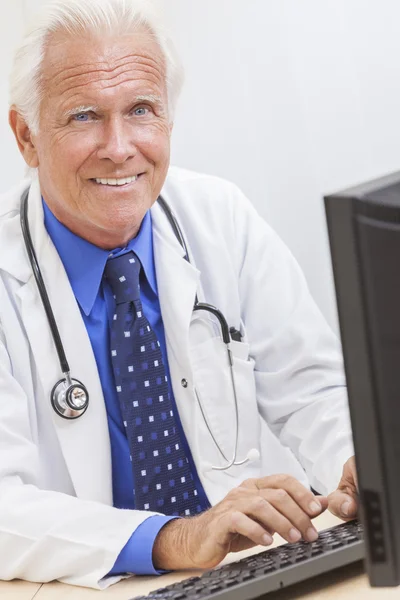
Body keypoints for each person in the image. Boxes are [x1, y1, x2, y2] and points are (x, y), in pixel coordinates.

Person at [1, 0, 357, 589]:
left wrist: (356, 466)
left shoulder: (220, 217)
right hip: (84, 585)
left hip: (246, 570)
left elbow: (310, 390)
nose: (118, 147)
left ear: (168, 120)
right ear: (27, 137)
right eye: (84, 115)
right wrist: (176, 538)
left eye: (141, 109)